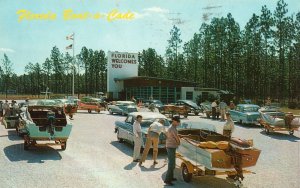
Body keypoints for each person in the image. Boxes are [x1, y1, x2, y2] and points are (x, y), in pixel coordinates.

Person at [164, 116, 181, 186]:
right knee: (171, 164)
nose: (178, 123)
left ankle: (171, 177)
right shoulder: (172, 128)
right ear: (174, 121)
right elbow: (176, 137)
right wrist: (179, 142)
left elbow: (175, 135)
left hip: (171, 146)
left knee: (173, 163)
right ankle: (167, 180)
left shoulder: (172, 127)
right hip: (171, 147)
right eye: (177, 122)